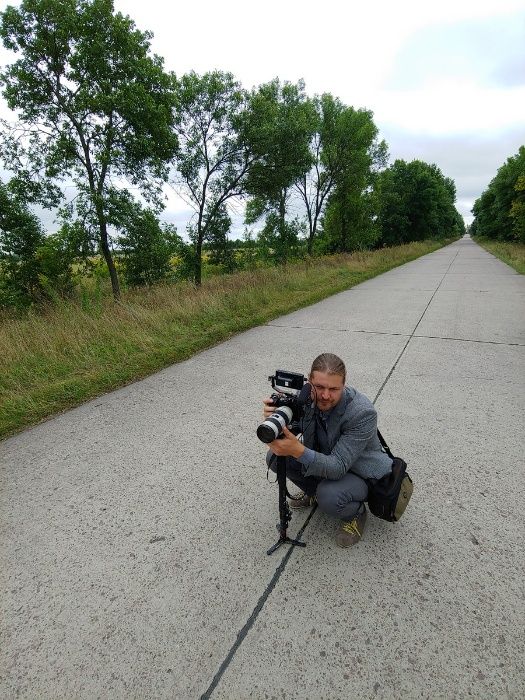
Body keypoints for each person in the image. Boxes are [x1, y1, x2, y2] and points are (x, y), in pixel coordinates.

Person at [263, 353, 393, 547]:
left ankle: (355, 513)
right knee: (275, 457)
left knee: (329, 496)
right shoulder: (308, 398)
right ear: (309, 382)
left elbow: (338, 466)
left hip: (359, 472)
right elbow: (297, 424)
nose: (325, 395)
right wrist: (279, 417)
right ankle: (313, 491)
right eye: (320, 387)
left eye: (334, 389)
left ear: (344, 385)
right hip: (328, 458)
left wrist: (297, 450)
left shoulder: (362, 413)